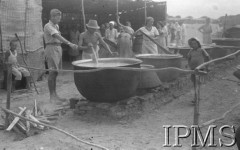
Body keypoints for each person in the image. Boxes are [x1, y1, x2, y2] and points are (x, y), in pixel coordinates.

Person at [43, 9, 78, 103]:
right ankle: (52, 97)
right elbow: (57, 36)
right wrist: (70, 43)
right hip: (51, 48)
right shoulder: (48, 26)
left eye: (60, 17)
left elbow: (58, 38)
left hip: (57, 48)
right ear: (52, 17)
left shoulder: (56, 25)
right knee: (52, 72)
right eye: (58, 17)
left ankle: (55, 95)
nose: (59, 19)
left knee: (55, 73)